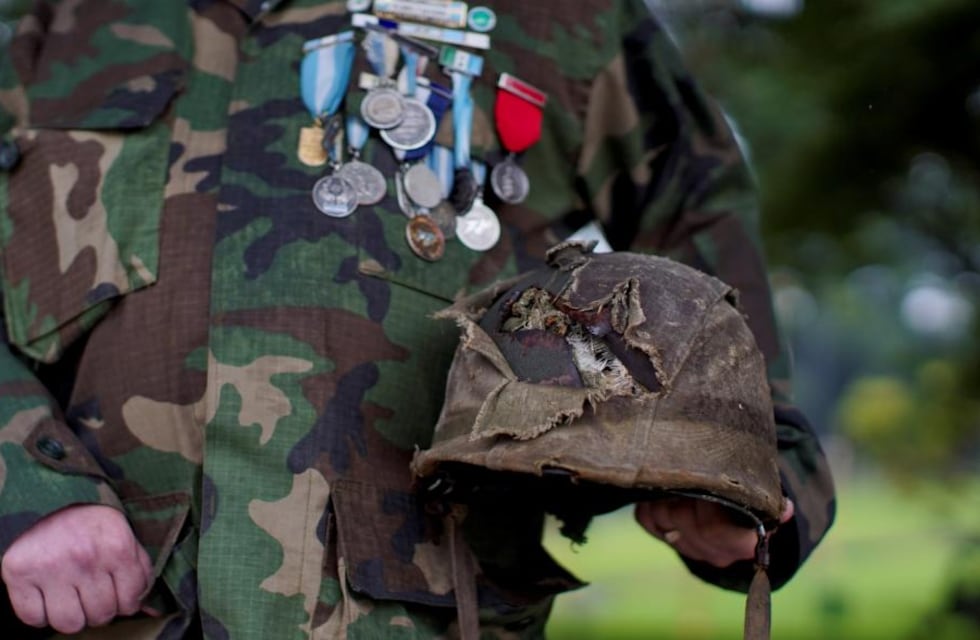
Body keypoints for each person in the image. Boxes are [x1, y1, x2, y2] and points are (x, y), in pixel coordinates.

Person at [0, 1, 835, 638]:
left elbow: (698, 211)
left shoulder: (561, 18)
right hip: (95, 609)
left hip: (424, 611)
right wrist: (27, 480)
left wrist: (748, 474)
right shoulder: (50, 22)